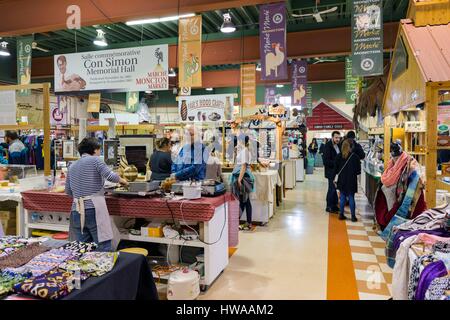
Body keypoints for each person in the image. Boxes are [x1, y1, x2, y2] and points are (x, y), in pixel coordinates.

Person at [65, 138, 128, 251]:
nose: (100, 153)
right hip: (93, 209)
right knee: (103, 246)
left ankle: (84, 269)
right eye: (99, 150)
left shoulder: (72, 166)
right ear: (94, 150)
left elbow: (68, 191)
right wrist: (124, 181)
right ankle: (105, 268)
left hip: (76, 210)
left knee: (83, 248)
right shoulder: (95, 160)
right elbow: (111, 176)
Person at [231, 135, 255, 231]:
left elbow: (244, 166)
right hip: (242, 177)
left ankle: (238, 221)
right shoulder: (242, 150)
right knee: (245, 201)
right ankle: (247, 222)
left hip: (244, 178)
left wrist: (239, 179)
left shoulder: (245, 151)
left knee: (243, 200)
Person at [334, 139, 360, 222]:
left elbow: (336, 169)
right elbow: (358, 171)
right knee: (351, 197)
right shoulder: (355, 157)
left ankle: (341, 214)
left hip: (341, 179)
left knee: (342, 197)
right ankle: (353, 216)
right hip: (351, 180)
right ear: (351, 147)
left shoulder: (338, 156)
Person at [322, 131, 341, 213]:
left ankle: (334, 205)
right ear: (332, 137)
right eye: (336, 137)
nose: (338, 139)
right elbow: (325, 161)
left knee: (335, 189)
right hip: (330, 172)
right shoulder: (328, 146)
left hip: (337, 172)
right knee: (332, 189)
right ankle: (329, 206)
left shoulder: (338, 146)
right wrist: (336, 163)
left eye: (339, 138)